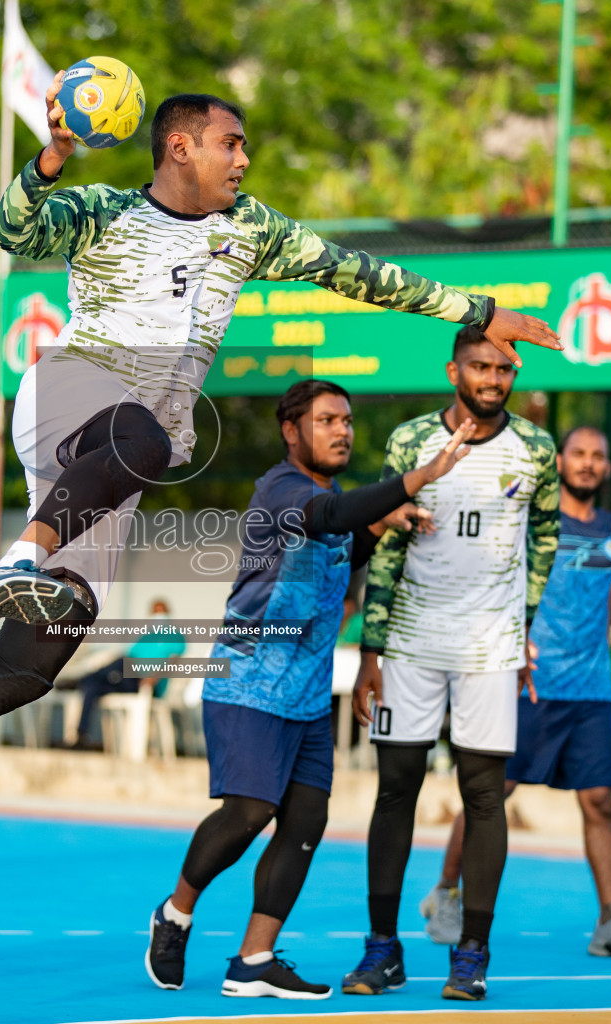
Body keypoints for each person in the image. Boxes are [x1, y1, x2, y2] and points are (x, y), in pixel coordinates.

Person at [0, 87, 560, 860]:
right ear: (182, 147)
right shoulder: (102, 209)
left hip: (110, 464)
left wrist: (479, 311)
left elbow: (358, 272)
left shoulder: (251, 228)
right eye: (232, 143)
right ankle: (18, 560)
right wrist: (53, 156)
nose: (245, 159)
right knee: (153, 436)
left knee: (29, 666)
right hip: (71, 393)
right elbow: (12, 229)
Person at [145, 379, 473, 1000]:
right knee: (249, 812)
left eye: (346, 420)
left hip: (307, 694)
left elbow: (342, 543)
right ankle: (175, 913)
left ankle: (253, 959)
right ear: (292, 432)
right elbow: (327, 519)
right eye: (326, 420)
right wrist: (421, 475)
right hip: (248, 683)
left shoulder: (336, 498)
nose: (342, 430)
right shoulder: (283, 490)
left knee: (305, 821)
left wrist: (384, 527)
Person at [406, 426, 611, 968]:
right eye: (579, 453)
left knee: (600, 802)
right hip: (530, 684)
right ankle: (447, 895)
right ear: (561, 462)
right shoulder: (530, 521)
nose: (589, 463)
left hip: (592, 690)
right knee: (492, 794)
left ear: (607, 468)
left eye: (599, 455)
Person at [346, 327, 558, 1002]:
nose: (494, 379)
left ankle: (472, 953)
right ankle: (383, 950)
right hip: (410, 638)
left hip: (490, 646)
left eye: (504, 369)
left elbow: (546, 536)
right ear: (453, 370)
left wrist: (521, 622)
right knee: (396, 789)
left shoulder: (536, 450)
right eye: (481, 367)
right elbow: (384, 542)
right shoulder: (410, 442)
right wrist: (368, 650)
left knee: (485, 796)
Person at [72, 599, 184, 750]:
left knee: (118, 663)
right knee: (92, 686)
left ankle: (79, 680)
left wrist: (153, 678)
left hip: (145, 685)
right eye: (155, 612)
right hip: (126, 680)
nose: (159, 616)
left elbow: (174, 661)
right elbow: (131, 656)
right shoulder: (145, 637)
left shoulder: (175, 637)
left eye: (161, 612)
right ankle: (81, 736)